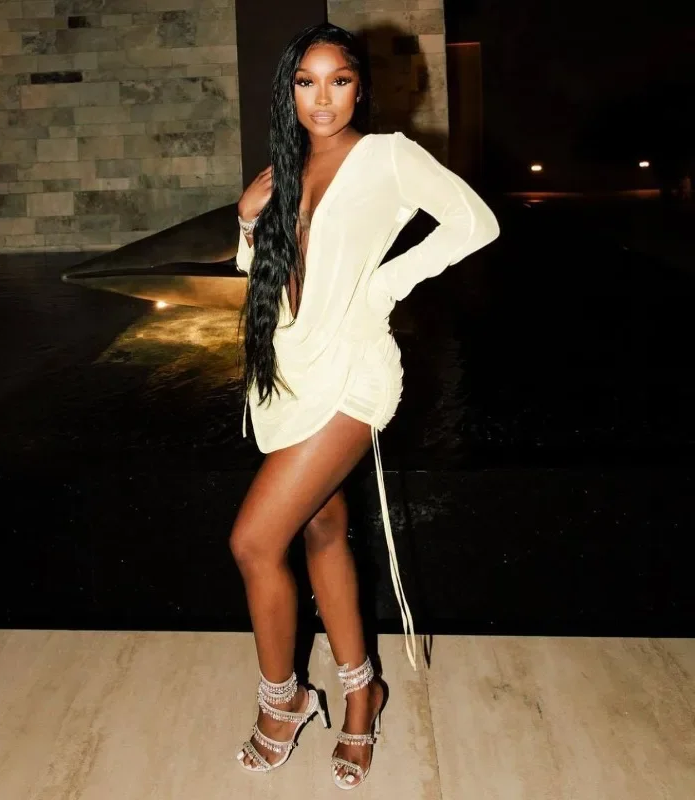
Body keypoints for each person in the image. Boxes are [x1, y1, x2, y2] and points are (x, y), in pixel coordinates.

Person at [230, 22, 500, 789]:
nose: (323, 98)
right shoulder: (287, 166)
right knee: (322, 529)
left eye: (339, 80)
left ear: (360, 87)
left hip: (351, 373)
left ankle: (283, 703)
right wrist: (248, 220)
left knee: (254, 542)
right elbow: (264, 277)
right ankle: (361, 691)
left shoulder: (387, 156)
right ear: (289, 91)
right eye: (306, 81)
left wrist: (385, 284)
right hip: (288, 373)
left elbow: (476, 222)